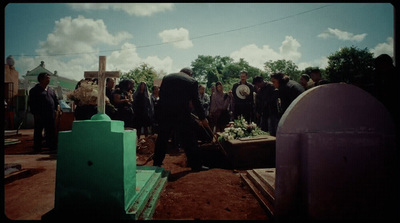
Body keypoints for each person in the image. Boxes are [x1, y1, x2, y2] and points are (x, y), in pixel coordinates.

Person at [153, 67, 209, 172]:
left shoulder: (167, 78)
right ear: (190, 74)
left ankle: (156, 163)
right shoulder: (192, 82)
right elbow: (196, 101)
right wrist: (203, 118)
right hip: (182, 114)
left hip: (166, 113)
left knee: (162, 138)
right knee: (190, 140)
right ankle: (196, 166)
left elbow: (161, 96)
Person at [28, 72, 60, 152]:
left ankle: (52, 147)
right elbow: (31, 103)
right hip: (40, 115)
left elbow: (56, 101)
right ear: (41, 80)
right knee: (38, 131)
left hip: (51, 115)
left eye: (49, 78)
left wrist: (58, 109)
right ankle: (37, 148)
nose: (49, 79)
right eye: (47, 78)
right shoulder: (34, 90)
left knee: (51, 131)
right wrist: (35, 113)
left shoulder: (51, 90)